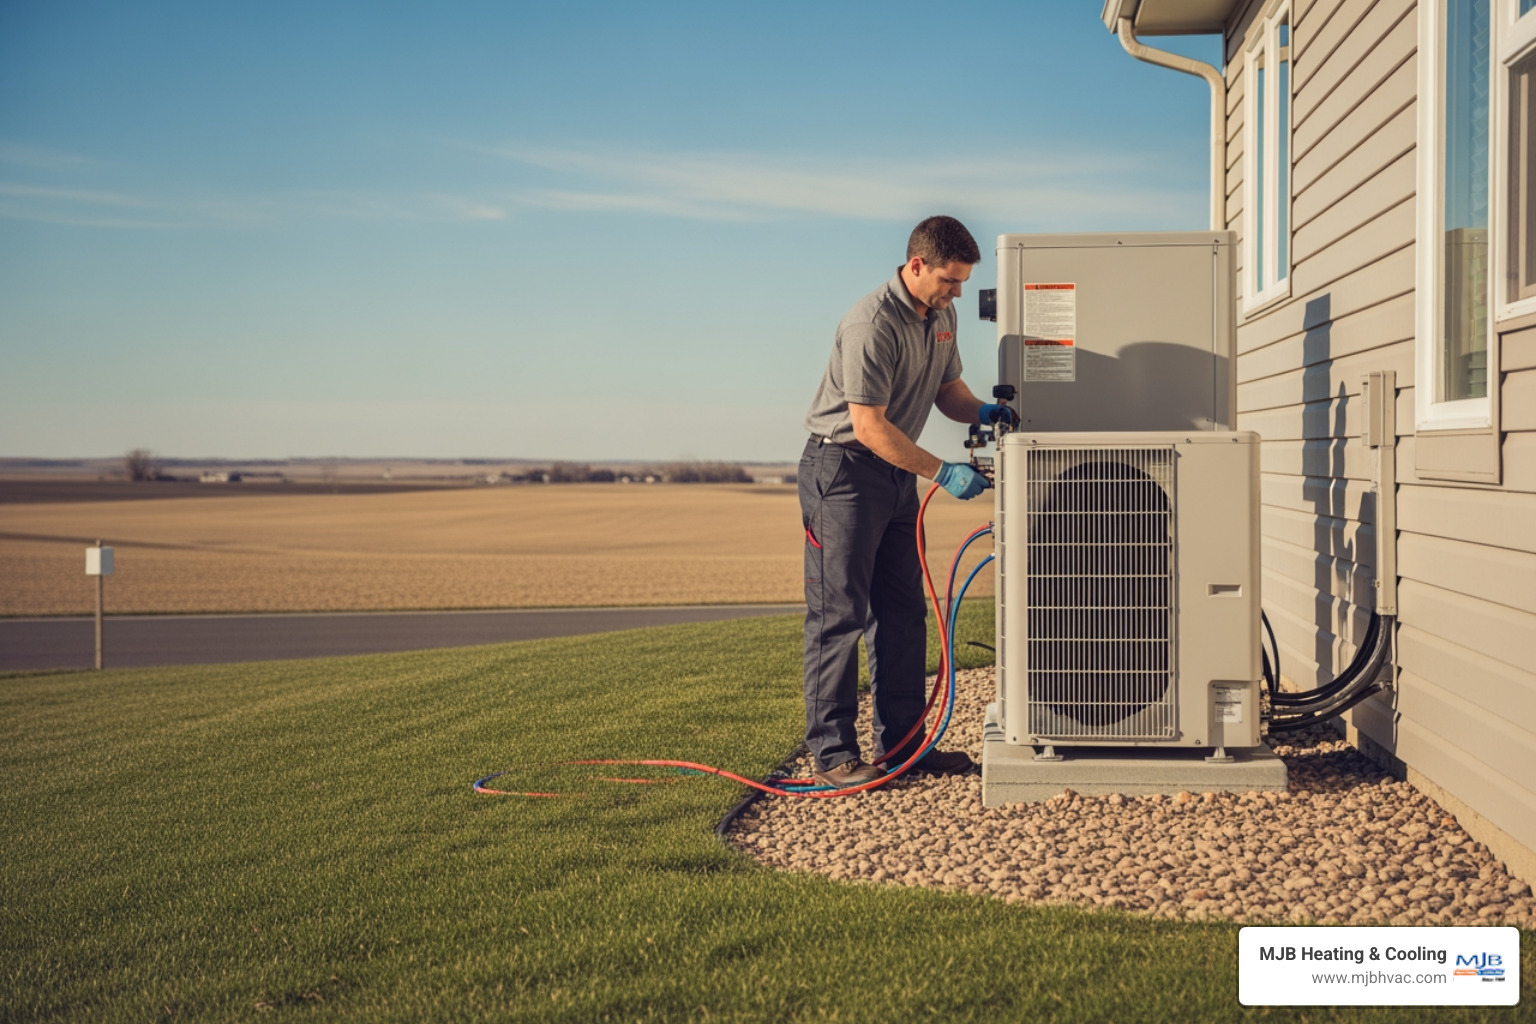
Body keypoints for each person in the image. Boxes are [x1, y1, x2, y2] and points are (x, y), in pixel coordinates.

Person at [799, 215, 1017, 788]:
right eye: (950, 280)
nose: (958, 293)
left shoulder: (940, 315)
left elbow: (948, 391)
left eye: (963, 281)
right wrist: (942, 472)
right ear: (916, 265)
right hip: (842, 473)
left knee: (902, 613)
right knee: (839, 616)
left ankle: (902, 747)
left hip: (895, 476)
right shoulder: (871, 324)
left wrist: (983, 411)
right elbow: (868, 426)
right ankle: (833, 756)